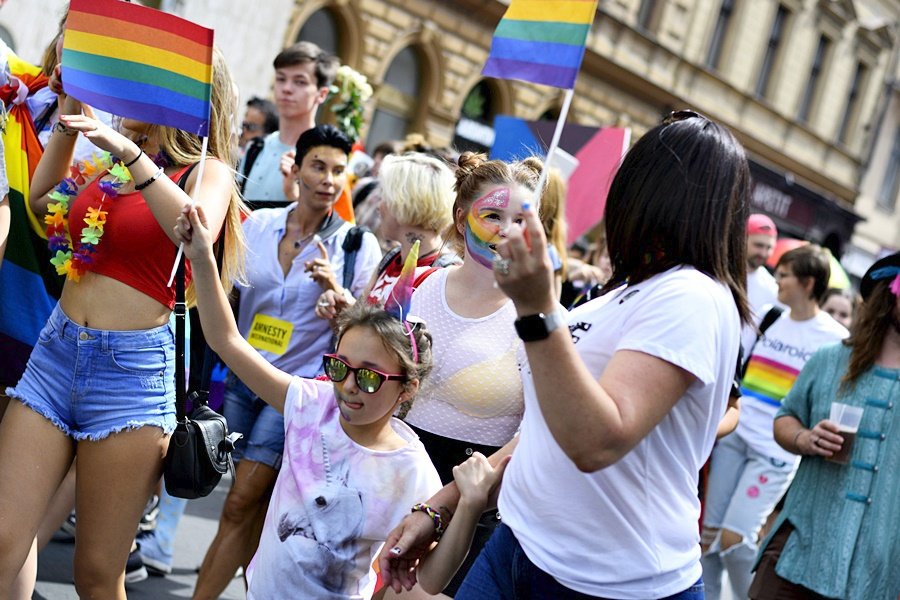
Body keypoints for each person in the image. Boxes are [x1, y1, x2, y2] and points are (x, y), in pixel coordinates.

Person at [379, 111, 750, 599]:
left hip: (604, 582)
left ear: (652, 196)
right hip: (518, 547)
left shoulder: (690, 297)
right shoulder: (625, 294)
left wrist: (535, 308)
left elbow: (596, 441)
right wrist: (441, 507)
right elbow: (542, 432)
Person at [0, 45, 245, 598]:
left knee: (95, 574)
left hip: (130, 378)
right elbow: (42, 203)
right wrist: (70, 103)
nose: (122, 95)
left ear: (174, 101)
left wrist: (134, 157)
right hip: (55, 355)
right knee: (3, 540)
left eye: (137, 85)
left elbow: (194, 230)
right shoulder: (105, 169)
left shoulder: (208, 172)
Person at [175, 203, 441, 598]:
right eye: (339, 366)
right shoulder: (313, 403)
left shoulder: (412, 471)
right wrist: (201, 257)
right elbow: (227, 341)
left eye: (369, 376)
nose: (349, 385)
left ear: (407, 388)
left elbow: (418, 578)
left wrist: (466, 507)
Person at [193, 124, 381, 599]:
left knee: (240, 502)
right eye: (318, 166)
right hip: (239, 379)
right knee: (249, 505)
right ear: (295, 170)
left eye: (339, 171)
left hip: (297, 392)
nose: (329, 179)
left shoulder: (356, 247)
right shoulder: (257, 225)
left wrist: (337, 295)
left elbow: (368, 337)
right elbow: (228, 294)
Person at [395, 152, 538, 596]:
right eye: (492, 215)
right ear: (460, 219)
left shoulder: (540, 318)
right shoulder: (414, 286)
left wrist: (446, 504)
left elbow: (536, 430)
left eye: (520, 218)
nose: (505, 230)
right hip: (390, 478)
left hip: (472, 508)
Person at [749, 251, 900, 600]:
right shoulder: (830, 359)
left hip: (878, 578)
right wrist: (804, 438)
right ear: (888, 295)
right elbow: (785, 418)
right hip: (800, 553)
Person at [701, 244, 849, 600]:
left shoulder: (833, 337)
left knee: (736, 539)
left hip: (775, 448)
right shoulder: (769, 316)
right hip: (736, 437)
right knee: (709, 538)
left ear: (808, 283)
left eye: (784, 275)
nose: (776, 280)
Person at [315, 151, 458, 321]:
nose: (379, 206)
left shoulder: (445, 276)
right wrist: (337, 305)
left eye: (385, 197)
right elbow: (363, 327)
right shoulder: (392, 258)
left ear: (403, 202)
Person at [239, 42, 339, 206]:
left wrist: (294, 195)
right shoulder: (256, 147)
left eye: (300, 82)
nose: (286, 88)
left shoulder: (329, 158)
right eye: (281, 79)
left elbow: (331, 225)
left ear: (321, 94)